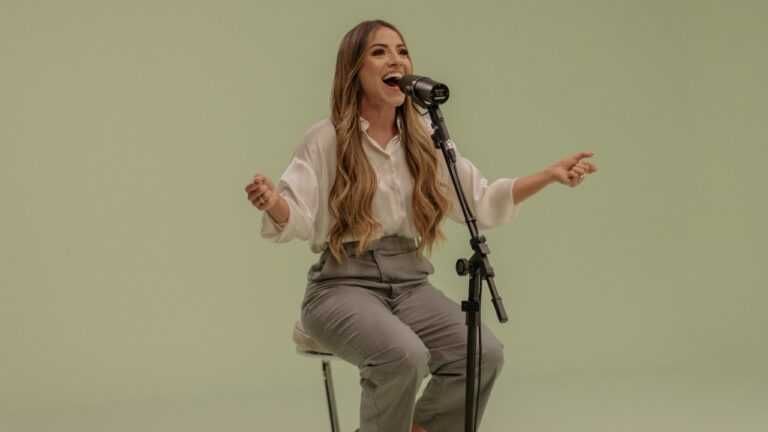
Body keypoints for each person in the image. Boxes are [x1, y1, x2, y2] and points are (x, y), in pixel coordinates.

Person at [245, 19, 597, 432]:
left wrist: (548, 175)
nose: (396, 59)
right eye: (379, 52)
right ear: (354, 70)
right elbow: (300, 216)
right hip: (342, 283)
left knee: (482, 355)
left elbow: (478, 199)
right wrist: (274, 204)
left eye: (402, 50)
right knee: (404, 356)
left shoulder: (425, 135)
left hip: (409, 282)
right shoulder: (326, 139)